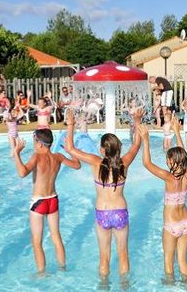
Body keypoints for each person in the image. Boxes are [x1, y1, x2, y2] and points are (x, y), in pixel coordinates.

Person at [64, 108, 142, 280]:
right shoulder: (124, 163)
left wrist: (70, 124)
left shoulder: (95, 162)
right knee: (123, 254)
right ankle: (125, 287)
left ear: (102, 150)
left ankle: (104, 286)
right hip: (120, 212)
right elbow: (136, 144)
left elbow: (69, 147)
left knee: (104, 257)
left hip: (102, 213)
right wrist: (137, 121)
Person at [13, 128, 80, 273]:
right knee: (56, 237)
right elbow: (77, 165)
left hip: (39, 202)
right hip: (53, 199)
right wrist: (70, 150)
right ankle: (63, 268)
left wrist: (16, 153)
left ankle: (41, 273)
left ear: (40, 143)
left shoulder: (37, 156)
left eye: (34, 141)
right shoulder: (58, 157)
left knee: (37, 242)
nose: (33, 144)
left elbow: (22, 172)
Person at [139, 118, 187, 283]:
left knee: (168, 262)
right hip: (185, 223)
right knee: (182, 260)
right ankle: (185, 286)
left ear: (171, 161)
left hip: (171, 225)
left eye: (168, 159)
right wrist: (177, 132)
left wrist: (145, 140)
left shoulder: (169, 178)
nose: (166, 161)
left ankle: (170, 286)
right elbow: (183, 154)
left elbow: (147, 163)